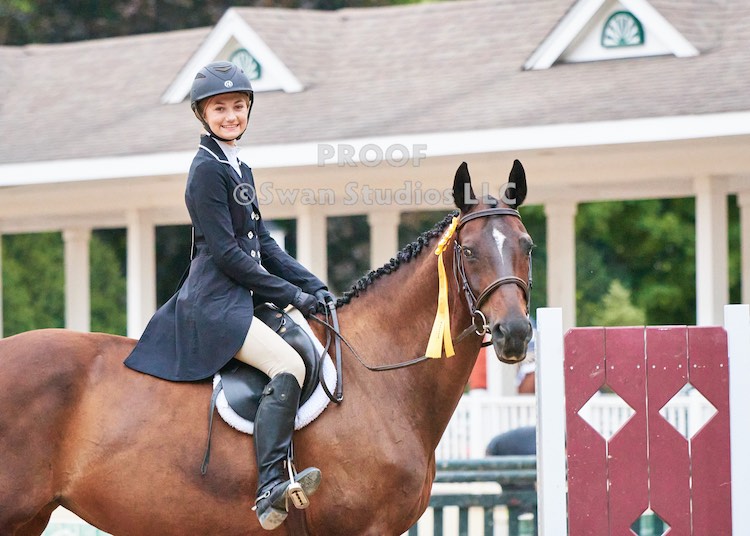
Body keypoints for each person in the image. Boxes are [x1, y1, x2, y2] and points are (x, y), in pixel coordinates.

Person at [124, 61, 334, 530]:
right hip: (214, 305)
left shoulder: (237, 166)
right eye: (220, 108)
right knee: (289, 365)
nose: (231, 115)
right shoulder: (206, 170)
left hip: (241, 300)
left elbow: (265, 245)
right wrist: (293, 296)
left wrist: (313, 285)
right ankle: (270, 486)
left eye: (238, 106)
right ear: (203, 114)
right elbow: (228, 255)